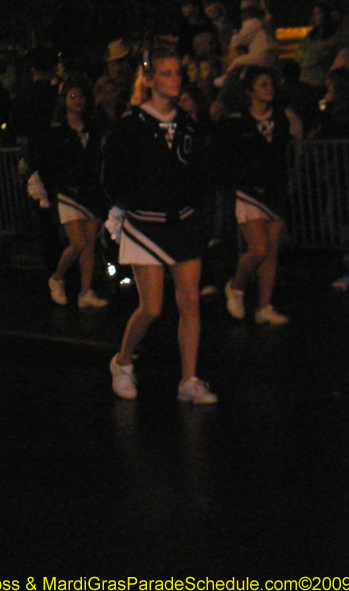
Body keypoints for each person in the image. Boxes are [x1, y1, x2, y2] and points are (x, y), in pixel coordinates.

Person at [101, 48, 217, 404]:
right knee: (151, 307)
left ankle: (189, 380)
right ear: (148, 80)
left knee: (190, 303)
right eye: (166, 73)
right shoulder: (129, 125)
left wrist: (196, 208)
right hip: (145, 223)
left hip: (182, 222)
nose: (175, 79)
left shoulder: (187, 123)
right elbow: (113, 176)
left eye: (178, 73)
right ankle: (122, 362)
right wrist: (131, 203)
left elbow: (199, 170)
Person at [221, 67, 302, 326]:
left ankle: (264, 306)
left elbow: (297, 136)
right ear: (250, 91)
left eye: (271, 85)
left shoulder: (281, 116)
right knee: (258, 249)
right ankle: (236, 286)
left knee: (272, 252)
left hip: (275, 189)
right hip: (249, 191)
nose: (269, 89)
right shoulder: (237, 121)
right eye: (263, 85)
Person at [38, 80, 108, 310]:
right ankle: (57, 277)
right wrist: (54, 186)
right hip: (68, 191)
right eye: (72, 96)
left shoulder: (94, 127)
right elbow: (50, 163)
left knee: (89, 245)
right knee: (78, 242)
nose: (77, 101)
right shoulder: (57, 131)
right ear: (64, 100)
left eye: (80, 96)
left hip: (91, 191)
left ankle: (85, 292)